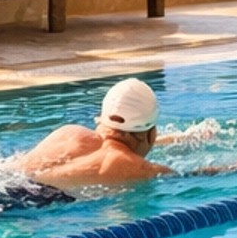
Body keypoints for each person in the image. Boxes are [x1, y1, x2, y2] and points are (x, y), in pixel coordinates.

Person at [21, 77, 170, 188]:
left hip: (7, 186)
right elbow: (188, 179)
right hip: (30, 208)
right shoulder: (140, 169)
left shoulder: (68, 133)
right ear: (150, 133)